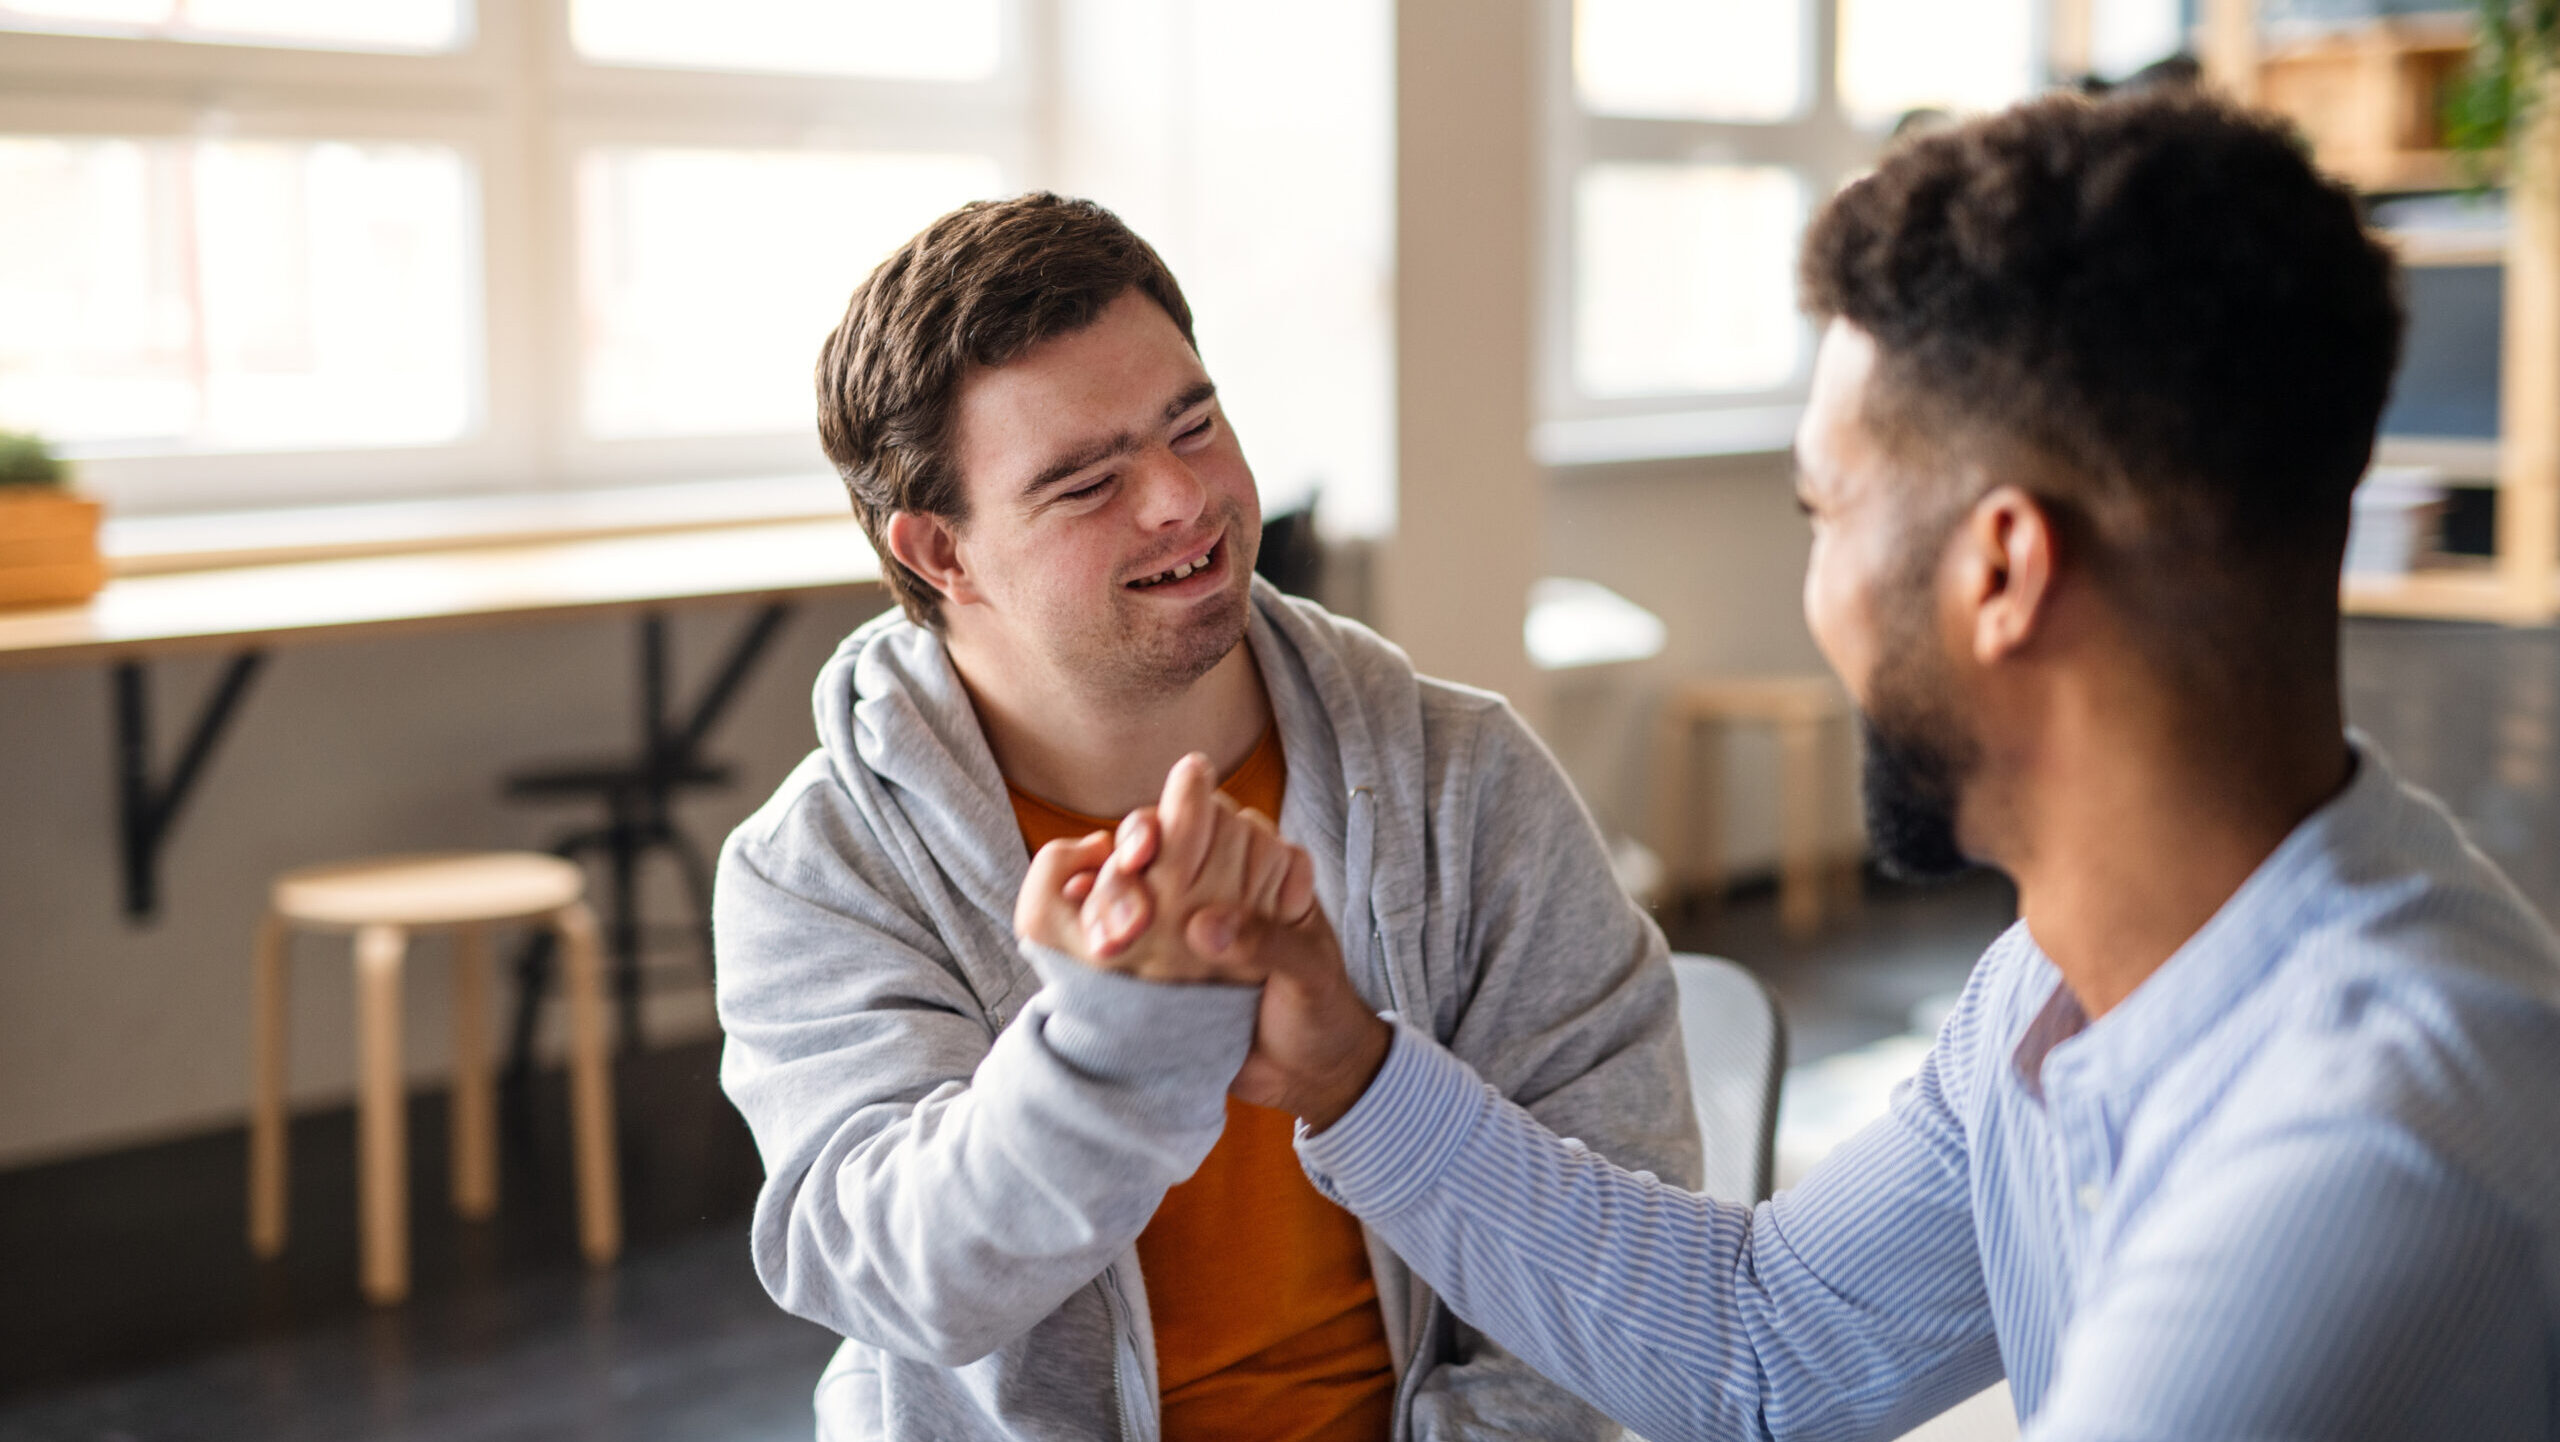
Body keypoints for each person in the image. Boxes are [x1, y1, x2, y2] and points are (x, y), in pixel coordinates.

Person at [1039, 93, 2560, 1439]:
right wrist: (1350, 1069)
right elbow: (1768, 1348)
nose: (1816, 587)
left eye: (1824, 512)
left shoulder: (2370, 1150)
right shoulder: (2062, 978)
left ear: (2002, 570)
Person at [712, 191, 1700, 1442]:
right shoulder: (820, 866)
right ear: (939, 556)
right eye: (1085, 482)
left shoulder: (1467, 778)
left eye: (1195, 423)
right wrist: (1118, 1039)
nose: (1182, 499)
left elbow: (1620, 1246)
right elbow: (903, 1276)